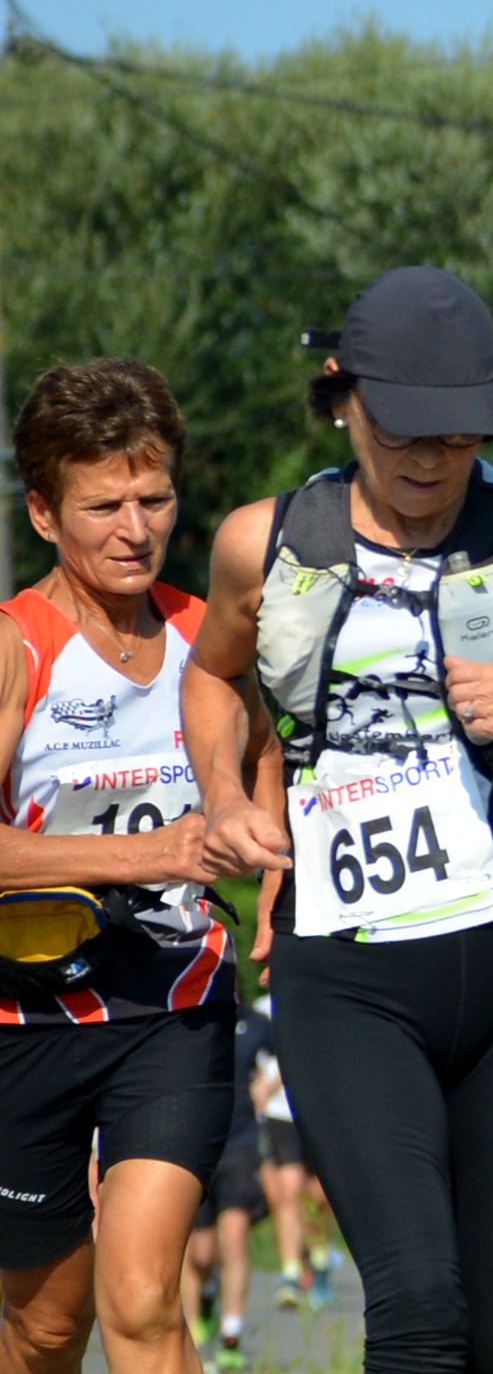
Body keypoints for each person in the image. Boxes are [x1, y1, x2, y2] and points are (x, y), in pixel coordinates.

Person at [184, 265, 493, 1374]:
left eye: (458, 437)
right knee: (417, 1315)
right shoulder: (266, 542)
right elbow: (213, 678)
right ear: (343, 396)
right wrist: (228, 798)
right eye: (404, 431)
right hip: (346, 975)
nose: (430, 460)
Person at [0, 361, 237, 1374]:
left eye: (156, 499)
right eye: (104, 506)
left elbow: (263, 776)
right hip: (27, 1015)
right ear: (43, 513)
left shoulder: (209, 636)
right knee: (48, 1326)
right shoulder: (18, 646)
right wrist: (148, 852)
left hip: (175, 998)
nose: (137, 530)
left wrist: (276, 880)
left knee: (141, 1299)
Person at [240, 989, 337, 1314]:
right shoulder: (263, 1009)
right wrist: (258, 1089)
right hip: (280, 1115)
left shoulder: (320, 998)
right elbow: (255, 1056)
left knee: (320, 1197)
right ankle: (291, 1273)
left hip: (319, 1112)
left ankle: (319, 1258)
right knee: (290, 1193)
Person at [181, 1008, 263, 1369]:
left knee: (234, 1238)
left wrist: (268, 1085)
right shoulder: (189, 1017)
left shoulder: (257, 1024)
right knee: (199, 1255)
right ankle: (203, 1303)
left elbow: (287, 1059)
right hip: (198, 1145)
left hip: (241, 1144)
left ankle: (231, 1333)